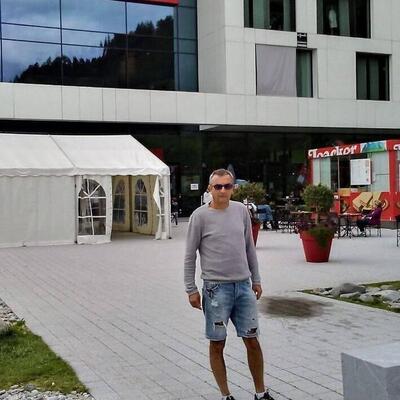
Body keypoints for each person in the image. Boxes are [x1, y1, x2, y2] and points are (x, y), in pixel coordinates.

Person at [184, 168, 275, 400]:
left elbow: (249, 247)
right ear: (209, 189)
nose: (223, 190)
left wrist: (256, 279)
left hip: (243, 286)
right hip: (215, 289)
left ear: (233, 188)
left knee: (252, 340)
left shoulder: (241, 211)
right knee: (217, 343)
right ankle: (226, 395)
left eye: (227, 186)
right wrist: (191, 289)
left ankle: (260, 392)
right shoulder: (199, 216)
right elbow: (190, 255)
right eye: (218, 186)